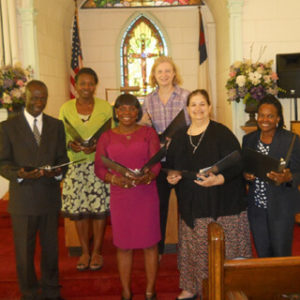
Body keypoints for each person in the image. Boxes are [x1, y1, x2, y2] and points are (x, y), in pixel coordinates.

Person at [166, 89, 252, 299]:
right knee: (194, 248)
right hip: (192, 203)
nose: (198, 109)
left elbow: (238, 162)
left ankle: (232, 288)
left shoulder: (221, 132)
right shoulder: (179, 137)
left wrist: (219, 179)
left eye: (202, 104)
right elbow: (170, 167)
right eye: (193, 105)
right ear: (187, 109)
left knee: (225, 249)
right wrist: (171, 178)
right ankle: (192, 286)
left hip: (223, 202)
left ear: (210, 107)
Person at [0, 80, 69, 300]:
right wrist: (20, 173)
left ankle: (51, 289)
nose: (39, 102)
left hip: (48, 197)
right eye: (35, 98)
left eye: (43, 98)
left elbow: (63, 160)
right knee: (24, 251)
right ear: (26, 98)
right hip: (23, 200)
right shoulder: (8, 127)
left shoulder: (56, 126)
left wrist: (56, 173)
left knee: (51, 249)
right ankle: (29, 292)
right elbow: (2, 163)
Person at [95, 94, 161, 300]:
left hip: (146, 194)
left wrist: (148, 176)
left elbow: (156, 162)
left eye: (131, 108)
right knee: (123, 246)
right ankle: (126, 291)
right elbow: (99, 168)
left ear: (138, 112)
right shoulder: (106, 137)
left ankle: (150, 290)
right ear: (116, 112)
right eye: (122, 109)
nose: (126, 113)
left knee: (150, 244)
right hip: (121, 196)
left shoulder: (149, 133)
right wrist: (115, 180)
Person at [59, 67, 112, 271]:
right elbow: (61, 136)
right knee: (80, 211)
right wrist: (70, 145)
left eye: (91, 83)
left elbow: (111, 134)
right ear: (76, 85)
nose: (86, 87)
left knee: (99, 211)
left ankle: (97, 251)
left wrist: (98, 146)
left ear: (95, 86)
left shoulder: (105, 107)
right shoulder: (66, 108)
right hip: (76, 166)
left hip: (98, 165)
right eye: (82, 83)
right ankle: (84, 251)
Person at [142, 56, 190, 256]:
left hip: (182, 159)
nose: (164, 75)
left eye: (168, 71)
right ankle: (159, 251)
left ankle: (189, 250)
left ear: (174, 73)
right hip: (159, 162)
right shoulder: (148, 100)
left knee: (187, 207)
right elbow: (145, 130)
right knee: (159, 209)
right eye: (160, 71)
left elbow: (193, 125)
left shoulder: (185, 96)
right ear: (154, 75)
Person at [242, 95, 300, 257]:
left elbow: (298, 171)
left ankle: (283, 284)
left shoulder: (291, 140)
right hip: (257, 209)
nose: (264, 119)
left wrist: (288, 178)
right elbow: (244, 166)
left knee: (281, 254)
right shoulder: (249, 139)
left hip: (281, 207)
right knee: (262, 254)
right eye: (261, 115)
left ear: (278, 119)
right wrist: (245, 175)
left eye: (270, 116)